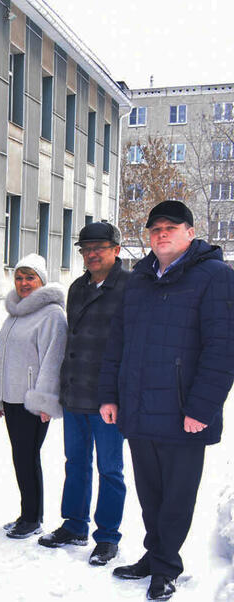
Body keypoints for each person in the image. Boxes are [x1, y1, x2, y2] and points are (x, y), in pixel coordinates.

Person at [100, 201, 234, 601]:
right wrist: (110, 395)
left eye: (170, 228)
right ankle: (154, 554)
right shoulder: (139, 279)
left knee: (176, 497)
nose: (161, 234)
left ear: (190, 233)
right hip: (139, 407)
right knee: (151, 493)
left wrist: (201, 408)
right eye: (155, 228)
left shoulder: (215, 277)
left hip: (182, 412)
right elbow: (117, 341)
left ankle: (166, 568)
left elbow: (223, 349)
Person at [38, 222, 128, 567]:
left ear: (116, 250)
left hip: (108, 398)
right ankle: (75, 525)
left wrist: (117, 395)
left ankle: (107, 537)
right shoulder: (77, 287)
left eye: (99, 248)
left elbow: (130, 346)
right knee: (75, 463)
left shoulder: (130, 288)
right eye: (86, 249)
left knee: (110, 469)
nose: (92, 254)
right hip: (75, 392)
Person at [0, 253, 66, 540]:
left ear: (42, 280)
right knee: (21, 458)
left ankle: (33, 519)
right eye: (19, 277)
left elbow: (53, 359)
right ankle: (27, 514)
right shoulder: (16, 312)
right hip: (12, 398)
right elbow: (4, 356)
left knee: (28, 457)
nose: (23, 283)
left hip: (32, 401)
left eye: (30, 277)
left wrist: (45, 401)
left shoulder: (52, 314)